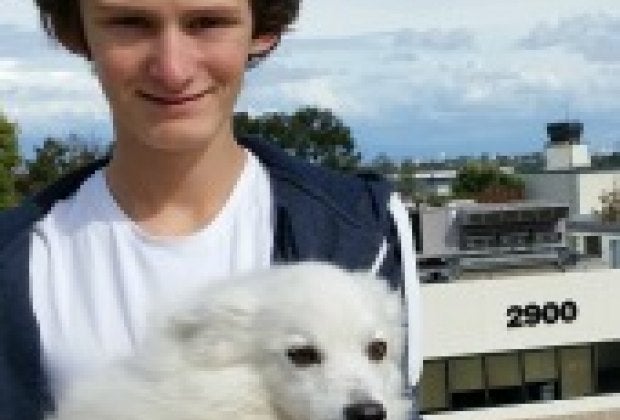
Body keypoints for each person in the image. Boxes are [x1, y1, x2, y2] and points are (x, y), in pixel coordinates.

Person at [0, 0, 421, 419]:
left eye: (208, 22)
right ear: (77, 33)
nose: (173, 70)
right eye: (130, 22)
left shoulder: (362, 228)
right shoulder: (15, 260)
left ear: (262, 29)